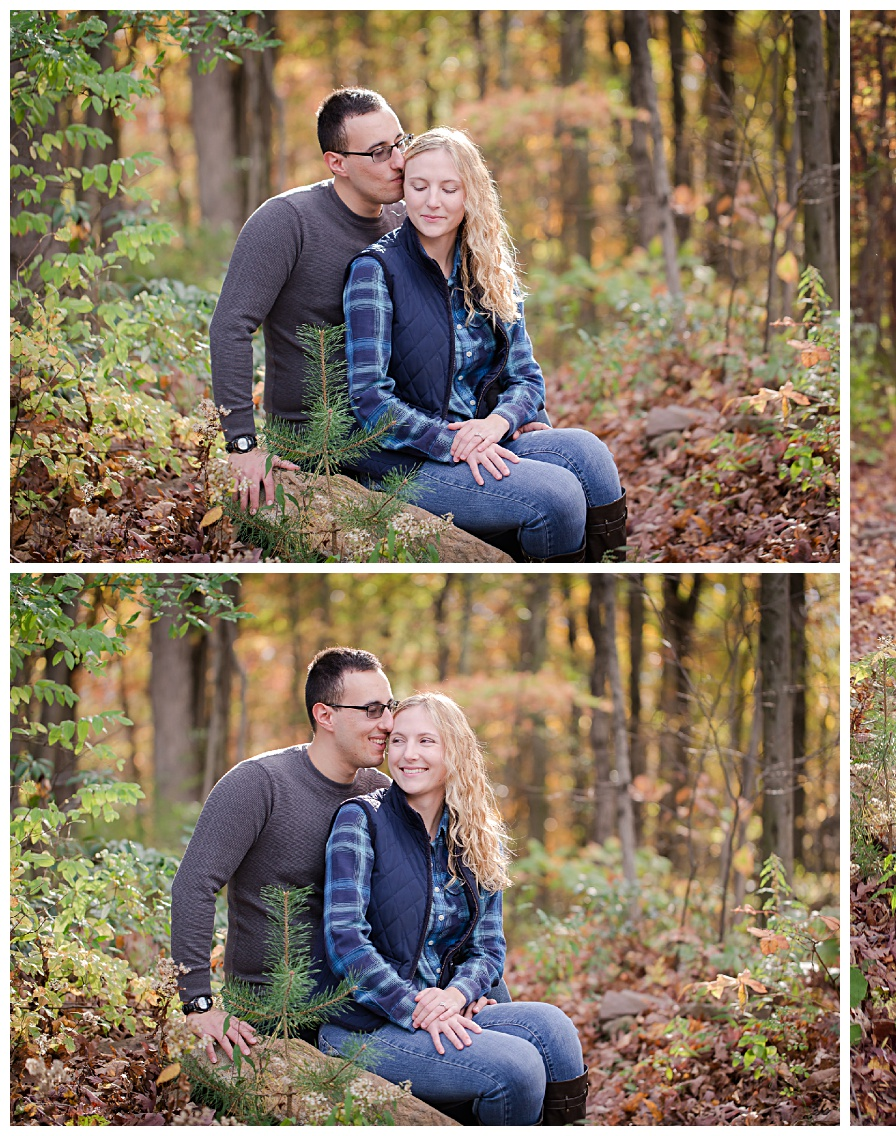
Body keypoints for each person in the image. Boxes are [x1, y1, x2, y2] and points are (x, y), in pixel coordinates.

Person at [341, 127, 626, 562]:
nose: (431, 201)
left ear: (470, 193)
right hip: (406, 460)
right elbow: (368, 398)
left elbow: (526, 377)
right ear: (404, 190)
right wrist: (451, 442)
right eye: (419, 186)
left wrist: (497, 424)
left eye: (448, 188)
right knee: (558, 496)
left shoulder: (487, 267)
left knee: (590, 454)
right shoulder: (375, 270)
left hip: (482, 436)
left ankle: (609, 573)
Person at [318, 692, 588, 1124]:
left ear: (454, 751)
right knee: (517, 1068)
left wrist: (458, 993)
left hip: (443, 1007)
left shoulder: (477, 835)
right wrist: (417, 1009)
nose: (409, 755)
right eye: (399, 741)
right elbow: (345, 941)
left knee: (554, 1029)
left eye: (427, 741)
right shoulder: (360, 821)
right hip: (365, 1024)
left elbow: (488, 947)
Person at [170, 648, 397, 1063]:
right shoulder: (258, 784)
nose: (387, 722)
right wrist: (197, 1003)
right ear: (325, 715)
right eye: (371, 709)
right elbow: (194, 885)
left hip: (360, 1000)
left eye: (389, 707)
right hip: (271, 1011)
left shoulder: (378, 789)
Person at [209, 89, 409, 513]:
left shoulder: (409, 219)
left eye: (399, 143)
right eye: (378, 152)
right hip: (312, 446)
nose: (398, 161)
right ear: (337, 162)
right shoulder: (286, 222)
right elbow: (231, 326)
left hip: (400, 432)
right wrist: (242, 444)